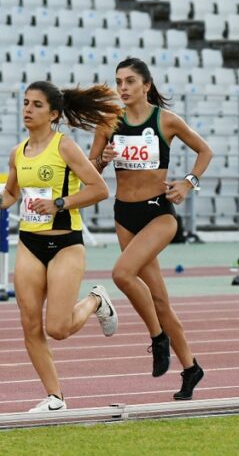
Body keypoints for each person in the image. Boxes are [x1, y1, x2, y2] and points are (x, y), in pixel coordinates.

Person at [88, 58, 212, 400]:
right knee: (159, 298)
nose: (123, 88)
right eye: (118, 82)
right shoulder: (108, 122)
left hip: (159, 213)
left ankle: (159, 338)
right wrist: (104, 159)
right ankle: (191, 368)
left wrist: (188, 183)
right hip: (123, 213)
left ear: (146, 85)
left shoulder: (166, 120)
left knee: (122, 274)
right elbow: (90, 169)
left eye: (129, 81)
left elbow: (205, 150)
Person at [1, 81, 120, 412]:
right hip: (29, 243)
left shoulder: (64, 147)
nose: (28, 109)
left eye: (37, 104)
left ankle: (96, 299)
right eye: (25, 102)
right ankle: (55, 397)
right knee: (29, 324)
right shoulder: (17, 152)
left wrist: (59, 203)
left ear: (53, 114)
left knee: (58, 328)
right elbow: (11, 194)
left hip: (65, 243)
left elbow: (98, 189)